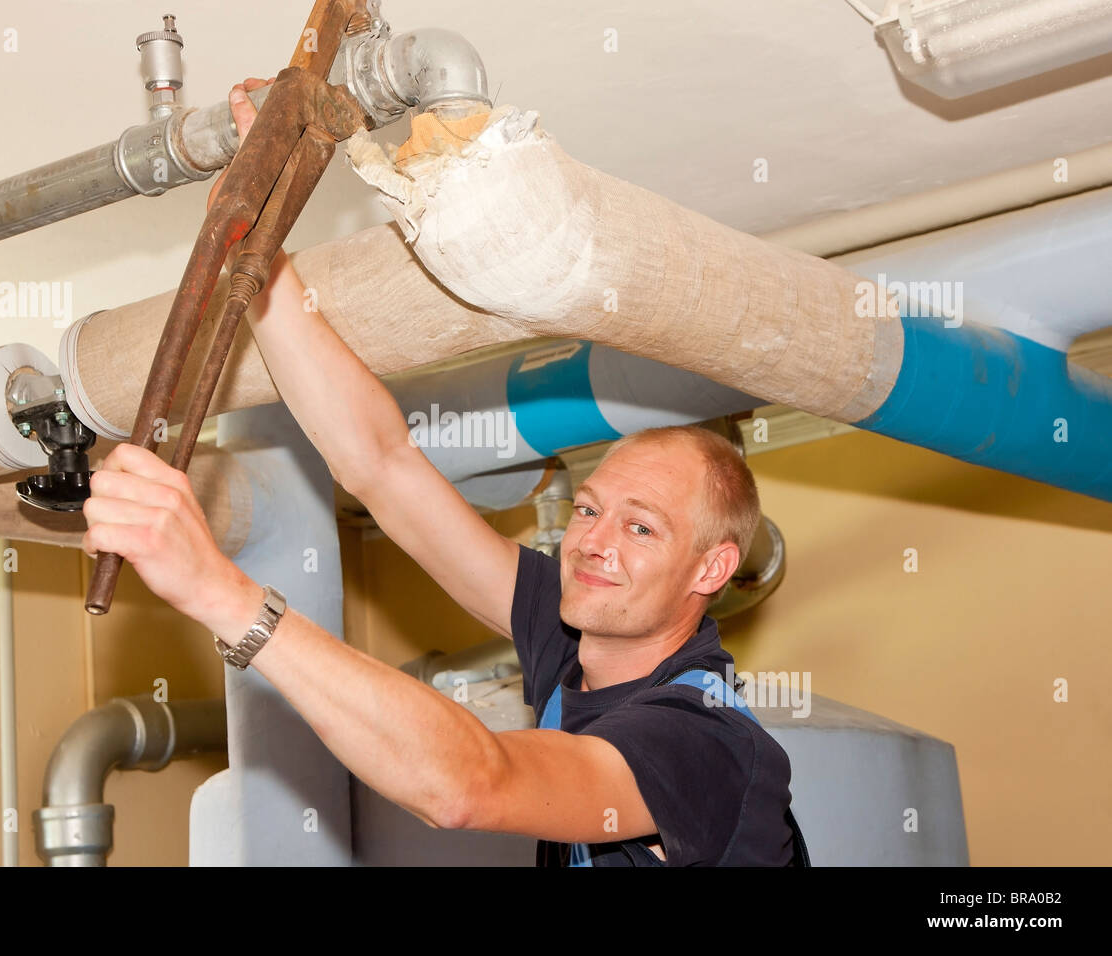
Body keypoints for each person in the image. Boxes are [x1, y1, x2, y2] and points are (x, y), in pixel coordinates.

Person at [81, 77, 800, 866]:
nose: (593, 543)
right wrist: (259, 251)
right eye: (589, 510)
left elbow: (468, 786)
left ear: (715, 566)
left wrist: (219, 593)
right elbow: (381, 466)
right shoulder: (571, 633)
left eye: (641, 527)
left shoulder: (704, 742)